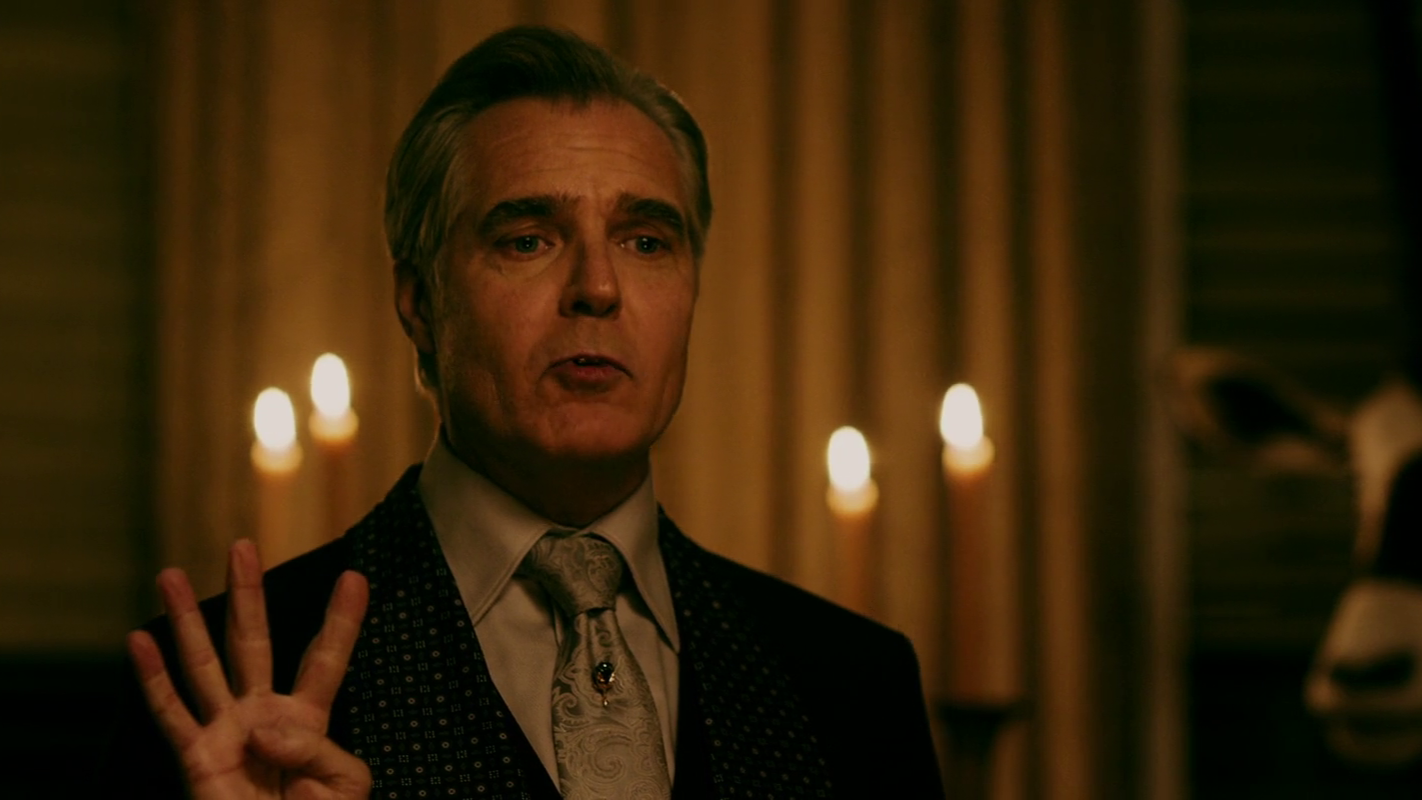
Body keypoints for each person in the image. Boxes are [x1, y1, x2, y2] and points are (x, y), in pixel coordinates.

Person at [104, 25, 944, 799]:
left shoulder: (852, 681)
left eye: (646, 242)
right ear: (420, 301)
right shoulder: (216, 703)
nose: (598, 287)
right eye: (528, 239)